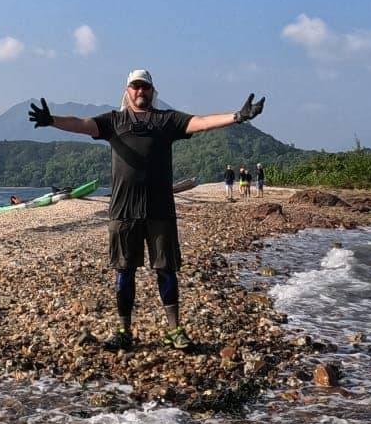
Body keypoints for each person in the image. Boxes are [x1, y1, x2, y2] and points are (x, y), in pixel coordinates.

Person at [28, 69, 265, 351]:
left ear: (153, 91)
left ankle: (174, 331)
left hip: (160, 210)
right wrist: (51, 120)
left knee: (166, 270)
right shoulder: (113, 121)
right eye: (135, 87)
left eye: (145, 87)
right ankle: (124, 331)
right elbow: (81, 124)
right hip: (123, 211)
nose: (140, 92)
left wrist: (237, 117)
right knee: (124, 271)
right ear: (127, 91)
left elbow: (200, 123)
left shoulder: (166, 120)